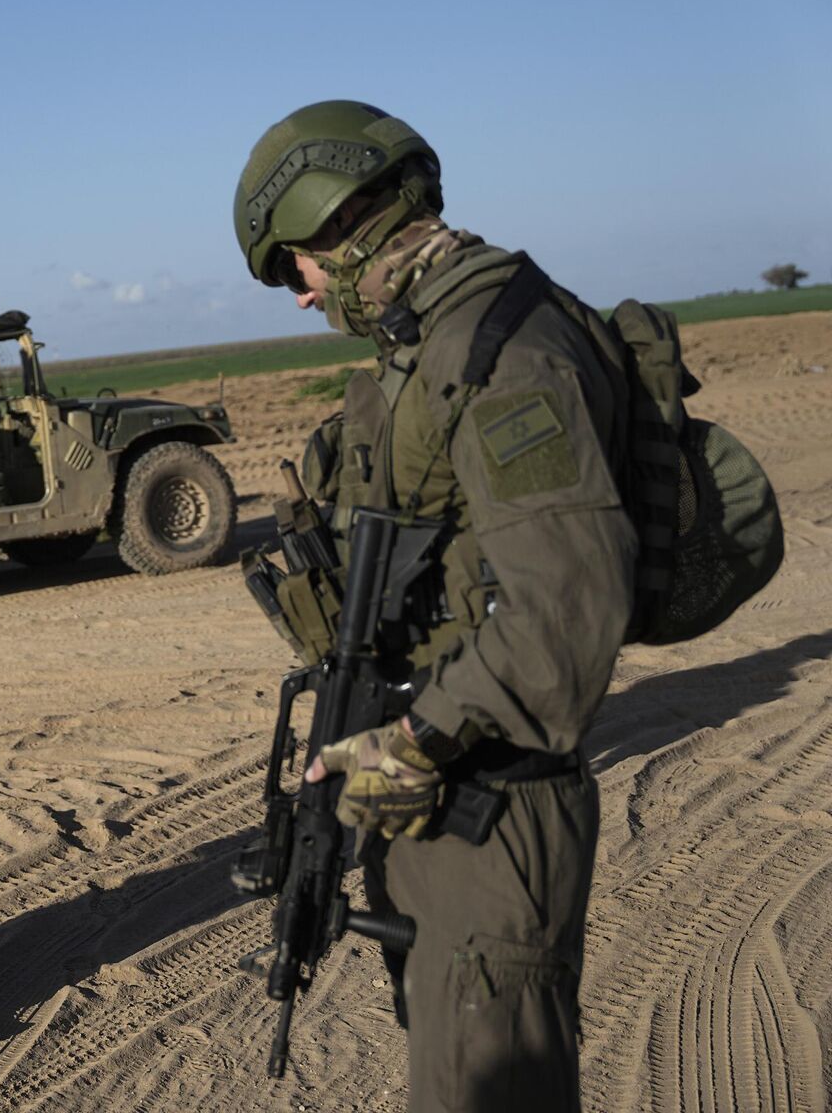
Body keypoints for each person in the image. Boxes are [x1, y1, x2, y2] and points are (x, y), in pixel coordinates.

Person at [234, 102, 637, 1111]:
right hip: (442, 799)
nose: (299, 296)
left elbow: (564, 620)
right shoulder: (427, 344)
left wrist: (410, 740)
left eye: (294, 266)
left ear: (343, 217)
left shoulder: (500, 350)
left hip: (491, 806)